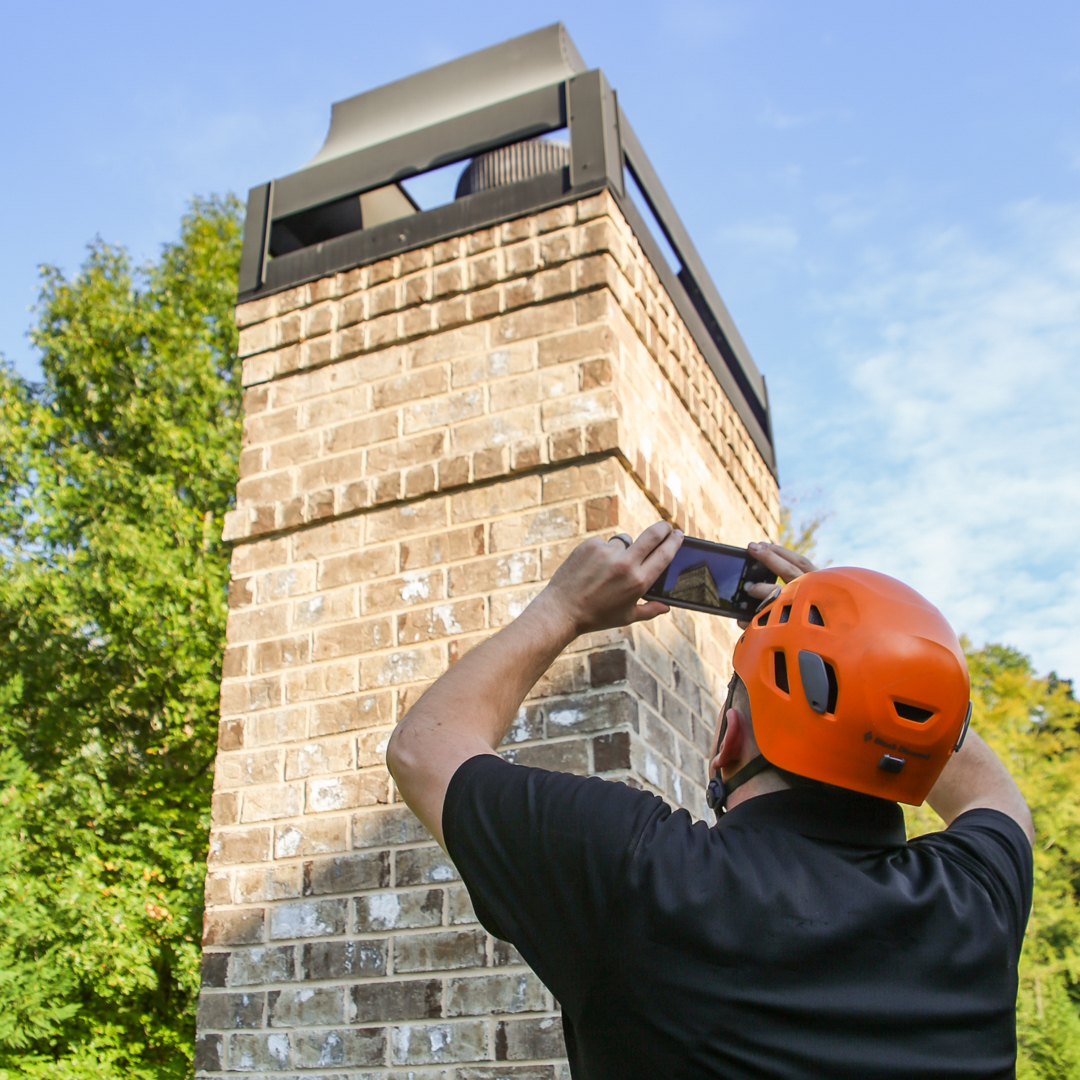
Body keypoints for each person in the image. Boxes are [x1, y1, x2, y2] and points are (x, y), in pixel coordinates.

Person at [386, 522, 1034, 1080]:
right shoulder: (976, 902)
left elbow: (425, 749)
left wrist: (564, 606)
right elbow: (993, 793)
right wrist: (867, 648)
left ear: (729, 739)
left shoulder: (641, 874)